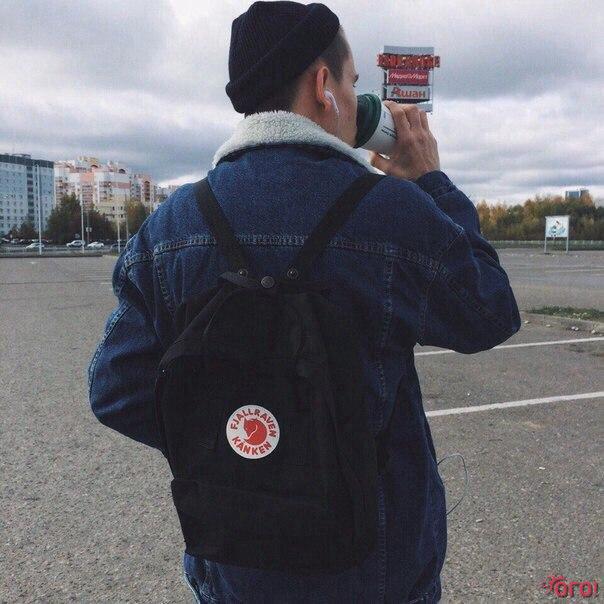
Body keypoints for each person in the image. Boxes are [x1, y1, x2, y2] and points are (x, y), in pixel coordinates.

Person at [87, 1, 521, 602]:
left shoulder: (173, 223)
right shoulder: (392, 211)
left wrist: (237, 442)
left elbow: (117, 388)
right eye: (351, 82)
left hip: (236, 558)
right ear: (323, 85)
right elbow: (490, 312)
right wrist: (431, 184)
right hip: (376, 565)